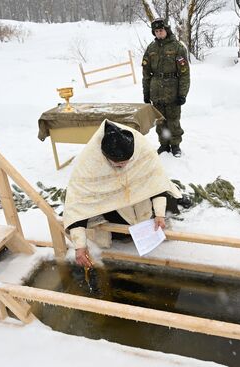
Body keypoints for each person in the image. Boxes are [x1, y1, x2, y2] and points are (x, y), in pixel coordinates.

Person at [63, 120, 182, 268]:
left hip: (141, 198)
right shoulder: (89, 162)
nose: (124, 167)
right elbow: (78, 205)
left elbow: (156, 182)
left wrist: (159, 214)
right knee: (122, 232)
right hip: (111, 203)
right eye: (118, 164)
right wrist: (80, 245)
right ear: (105, 157)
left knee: (165, 206)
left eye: (127, 162)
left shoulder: (141, 147)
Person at [142, 17, 190, 158]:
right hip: (156, 91)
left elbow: (184, 74)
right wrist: (146, 93)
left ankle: (175, 145)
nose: (159, 33)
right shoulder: (151, 48)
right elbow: (146, 74)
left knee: (173, 120)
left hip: (172, 91)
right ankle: (164, 144)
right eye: (156, 31)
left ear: (166, 30)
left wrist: (182, 94)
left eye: (161, 30)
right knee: (160, 122)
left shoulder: (177, 47)